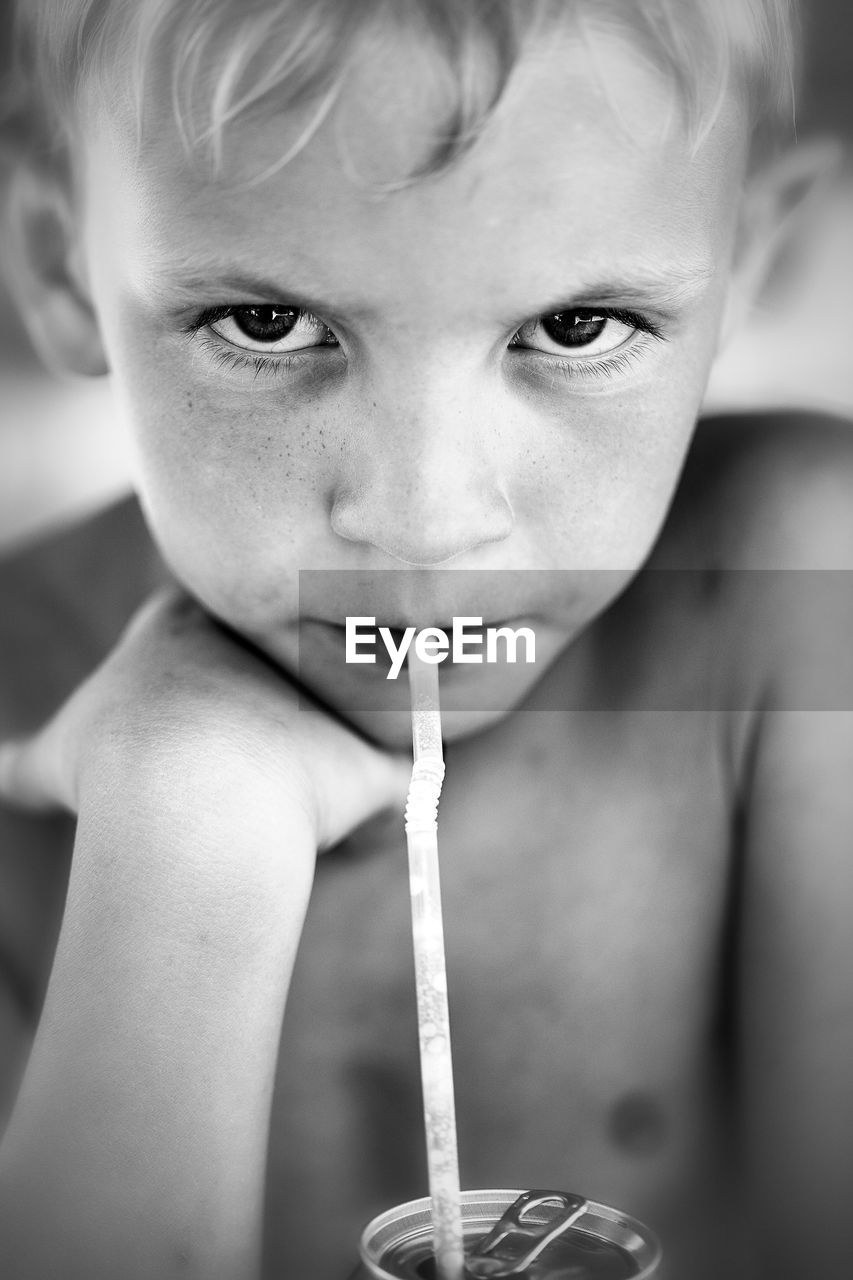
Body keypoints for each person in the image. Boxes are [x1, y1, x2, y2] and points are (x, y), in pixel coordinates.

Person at [0, 1, 850, 1277]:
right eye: (267, 324)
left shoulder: (799, 604)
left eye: (573, 328)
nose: (423, 517)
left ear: (748, 252)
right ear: (59, 263)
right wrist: (184, 832)